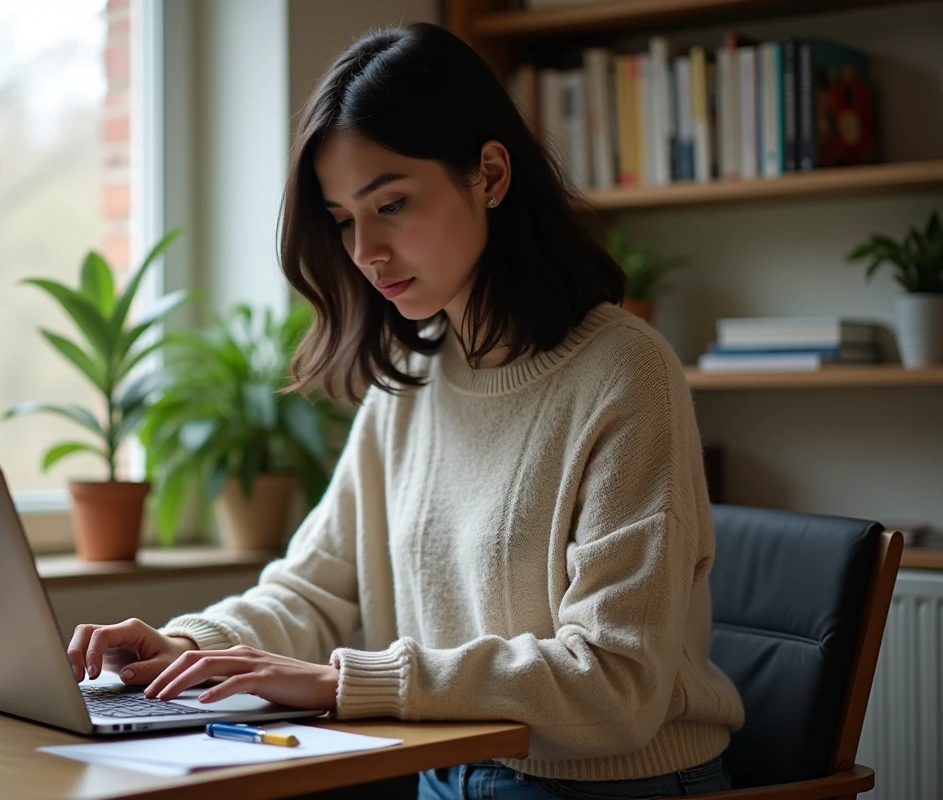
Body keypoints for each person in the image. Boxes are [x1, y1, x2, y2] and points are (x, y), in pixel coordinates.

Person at [66, 22, 744, 800]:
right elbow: (311, 590)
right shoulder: (412, 381)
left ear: (489, 174)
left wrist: (338, 683)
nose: (365, 252)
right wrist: (186, 643)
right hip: (442, 769)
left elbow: (615, 685)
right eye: (345, 219)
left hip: (607, 786)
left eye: (391, 204)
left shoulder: (626, 373)